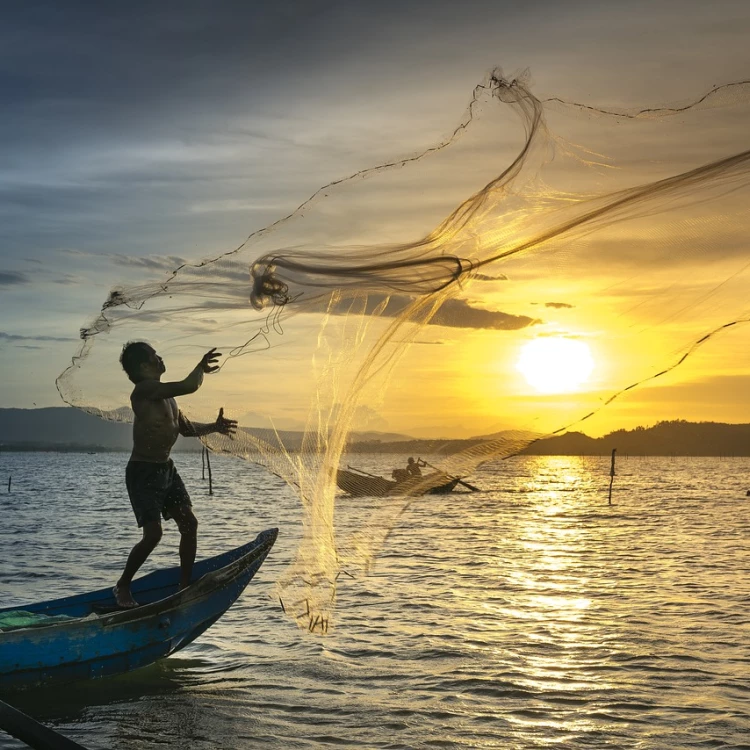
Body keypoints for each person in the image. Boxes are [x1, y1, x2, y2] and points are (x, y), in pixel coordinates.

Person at [113, 341, 237, 608]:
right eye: (155, 356)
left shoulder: (168, 397)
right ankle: (123, 585)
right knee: (153, 534)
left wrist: (214, 427)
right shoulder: (144, 391)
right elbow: (190, 385)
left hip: (166, 469)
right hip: (143, 471)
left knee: (189, 524)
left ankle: (184, 585)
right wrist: (201, 368)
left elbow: (187, 430)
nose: (160, 358)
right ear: (144, 366)